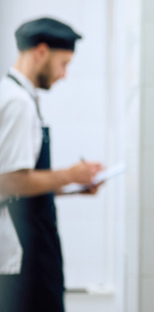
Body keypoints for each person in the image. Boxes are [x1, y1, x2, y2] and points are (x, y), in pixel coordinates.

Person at [0, 17, 103, 312]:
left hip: (30, 238)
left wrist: (72, 187)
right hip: (23, 249)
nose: (64, 75)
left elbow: (21, 184)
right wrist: (69, 173)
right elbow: (8, 181)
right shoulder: (17, 102)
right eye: (64, 64)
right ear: (41, 52)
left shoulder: (18, 97)